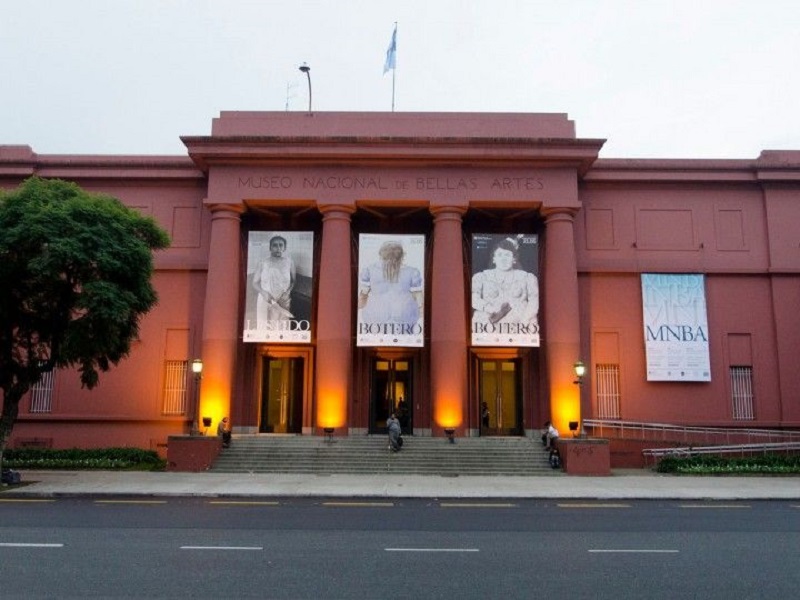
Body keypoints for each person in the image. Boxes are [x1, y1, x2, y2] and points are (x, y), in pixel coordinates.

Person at [472, 237, 538, 328]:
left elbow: (534, 302)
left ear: (514, 259)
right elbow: (474, 298)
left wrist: (525, 320)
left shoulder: (527, 278)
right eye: (499, 255)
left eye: (507, 255)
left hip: (520, 327)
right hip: (487, 327)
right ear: (494, 259)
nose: (503, 259)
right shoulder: (481, 277)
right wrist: (489, 308)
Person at [358, 240, 423, 326]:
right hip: (404, 316)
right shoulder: (413, 272)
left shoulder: (369, 270)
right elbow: (419, 298)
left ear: (380, 255)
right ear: (402, 255)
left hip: (375, 316)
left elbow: (363, 297)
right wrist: (420, 310)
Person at [253, 235, 296, 327]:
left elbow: (293, 281)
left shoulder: (290, 262)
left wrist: (287, 292)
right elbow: (255, 283)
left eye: (281, 245)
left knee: (282, 326)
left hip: (283, 299)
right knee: (266, 326)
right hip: (266, 298)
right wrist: (263, 292)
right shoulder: (262, 262)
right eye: (275, 245)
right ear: (270, 248)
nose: (278, 248)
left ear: (285, 248)